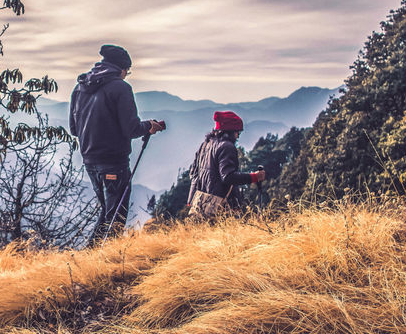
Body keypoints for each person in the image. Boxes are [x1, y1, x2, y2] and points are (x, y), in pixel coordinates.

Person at [69, 44, 165, 246]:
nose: (126, 76)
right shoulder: (121, 88)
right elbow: (131, 129)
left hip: (89, 161)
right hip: (114, 162)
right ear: (122, 68)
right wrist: (149, 126)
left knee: (107, 212)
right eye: (127, 72)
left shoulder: (80, 87)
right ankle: (108, 258)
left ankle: (91, 255)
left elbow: (74, 129)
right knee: (116, 217)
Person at [187, 111, 265, 218]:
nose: (238, 136)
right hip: (222, 205)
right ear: (230, 131)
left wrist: (192, 197)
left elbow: (194, 173)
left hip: (202, 204)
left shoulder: (205, 145)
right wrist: (254, 177)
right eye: (238, 132)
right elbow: (228, 177)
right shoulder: (227, 146)